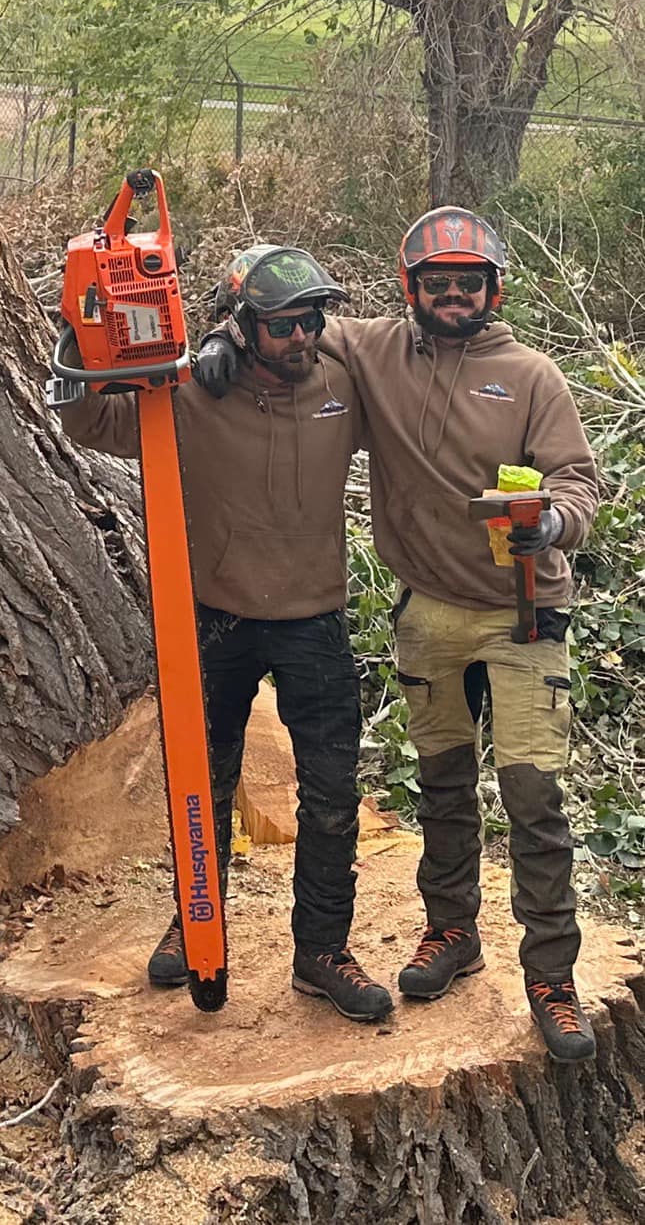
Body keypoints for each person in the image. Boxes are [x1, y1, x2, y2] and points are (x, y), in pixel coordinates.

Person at [203, 210, 599, 1062]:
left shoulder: (530, 376)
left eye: (469, 282)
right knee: (443, 785)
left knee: (532, 798)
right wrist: (221, 343)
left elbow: (575, 478)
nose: (452, 295)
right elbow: (283, 307)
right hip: (429, 614)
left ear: (494, 289)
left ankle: (552, 980)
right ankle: (451, 934)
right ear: (409, 287)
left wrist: (555, 520)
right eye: (436, 282)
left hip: (524, 613)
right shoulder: (368, 349)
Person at [58, 244, 393, 1024]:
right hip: (213, 618)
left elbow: (398, 350)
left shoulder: (343, 383)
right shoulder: (185, 390)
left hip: (314, 618)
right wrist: (87, 329)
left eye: (311, 318)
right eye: (280, 324)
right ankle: (195, 921)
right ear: (242, 326)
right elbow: (88, 418)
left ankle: (321, 950)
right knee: (201, 784)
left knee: (332, 794)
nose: (300, 336)